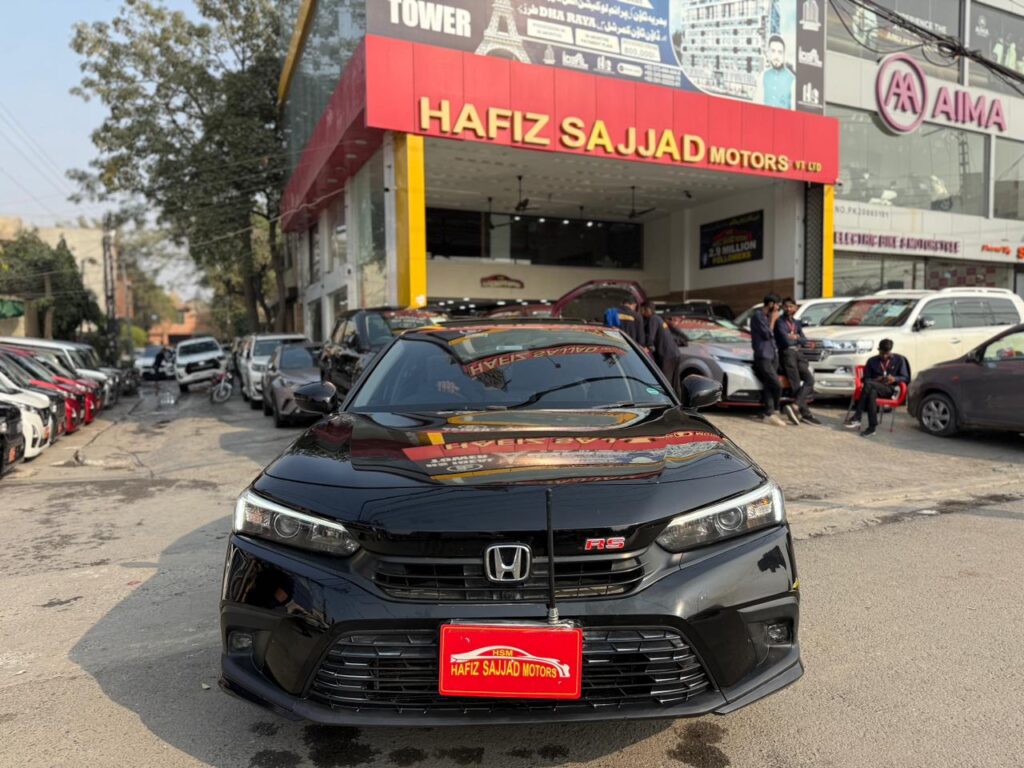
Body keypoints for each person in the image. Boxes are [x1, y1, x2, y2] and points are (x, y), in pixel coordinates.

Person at [844, 338, 910, 437]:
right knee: (872, 393)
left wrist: (894, 379)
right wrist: (877, 380)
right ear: (879, 350)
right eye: (882, 353)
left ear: (890, 351)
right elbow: (865, 379)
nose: (884, 356)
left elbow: (906, 378)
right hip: (873, 387)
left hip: (890, 390)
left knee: (869, 385)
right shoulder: (872, 361)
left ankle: (857, 416)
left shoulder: (899, 359)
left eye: (887, 353)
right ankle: (872, 428)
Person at [774, 298, 821, 425]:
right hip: (787, 354)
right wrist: (796, 338)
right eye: (786, 306)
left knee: (809, 380)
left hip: (798, 354)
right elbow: (786, 341)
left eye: (791, 306)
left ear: (795, 308)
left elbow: (804, 340)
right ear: (783, 308)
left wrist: (795, 338)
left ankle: (795, 406)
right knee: (795, 384)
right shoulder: (780, 322)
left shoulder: (796, 322)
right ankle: (806, 414)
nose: (788, 309)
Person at [750, 294, 787, 426]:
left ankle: (769, 413)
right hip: (763, 355)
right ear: (770, 304)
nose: (778, 308)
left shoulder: (768, 316)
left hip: (772, 354)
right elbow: (766, 334)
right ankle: (775, 410)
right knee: (776, 384)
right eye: (777, 305)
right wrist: (772, 320)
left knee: (769, 385)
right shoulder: (758, 316)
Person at [641, 303, 681, 391]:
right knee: (675, 383)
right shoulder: (659, 318)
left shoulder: (653, 319)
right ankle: (678, 398)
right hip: (675, 354)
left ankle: (666, 399)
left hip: (666, 356)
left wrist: (648, 347)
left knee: (665, 383)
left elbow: (651, 336)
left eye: (643, 310)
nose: (642, 312)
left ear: (648, 310)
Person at [762, 35, 795, 109]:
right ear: (769, 53)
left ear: (784, 55)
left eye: (780, 52)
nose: (776, 56)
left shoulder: (792, 80)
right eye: (773, 51)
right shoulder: (763, 76)